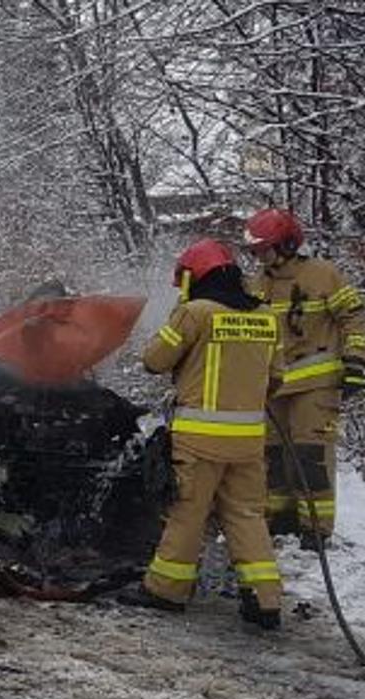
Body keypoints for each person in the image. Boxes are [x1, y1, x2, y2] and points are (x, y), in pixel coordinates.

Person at [117, 239, 284, 629]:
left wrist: (178, 315)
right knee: (246, 515)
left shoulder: (195, 313)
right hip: (248, 442)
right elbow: (277, 377)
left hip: (199, 440)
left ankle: (165, 591)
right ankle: (265, 599)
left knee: (187, 513)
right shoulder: (267, 316)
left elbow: (153, 361)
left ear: (196, 277)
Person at [244, 209, 365, 547]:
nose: (258, 256)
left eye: (263, 248)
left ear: (286, 244)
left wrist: (356, 361)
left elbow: (354, 317)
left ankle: (316, 530)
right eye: (254, 250)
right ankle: (281, 520)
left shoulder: (323, 275)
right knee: (272, 457)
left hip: (315, 383)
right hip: (273, 386)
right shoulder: (257, 284)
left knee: (309, 456)